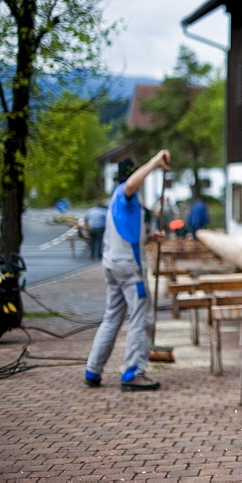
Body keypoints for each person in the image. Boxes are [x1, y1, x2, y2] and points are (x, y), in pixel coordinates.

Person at [84, 150, 171, 391]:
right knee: (140, 318)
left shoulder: (116, 200)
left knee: (112, 317)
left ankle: (93, 370)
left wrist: (150, 237)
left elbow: (127, 234)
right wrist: (154, 161)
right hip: (130, 270)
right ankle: (133, 372)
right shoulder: (126, 194)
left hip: (113, 266)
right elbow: (131, 184)